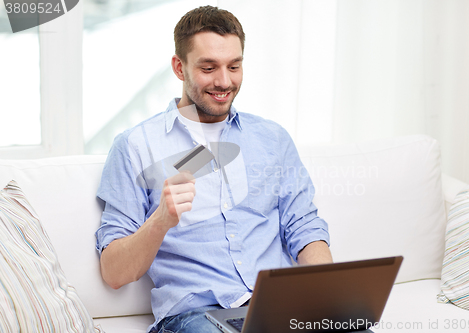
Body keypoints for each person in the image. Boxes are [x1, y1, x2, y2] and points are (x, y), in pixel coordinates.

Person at [95, 5, 333, 333]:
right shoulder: (135, 146)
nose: (224, 81)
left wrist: (328, 295)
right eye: (208, 68)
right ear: (180, 67)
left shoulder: (272, 139)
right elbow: (114, 272)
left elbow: (304, 227)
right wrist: (161, 220)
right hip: (196, 317)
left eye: (234, 66)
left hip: (277, 307)